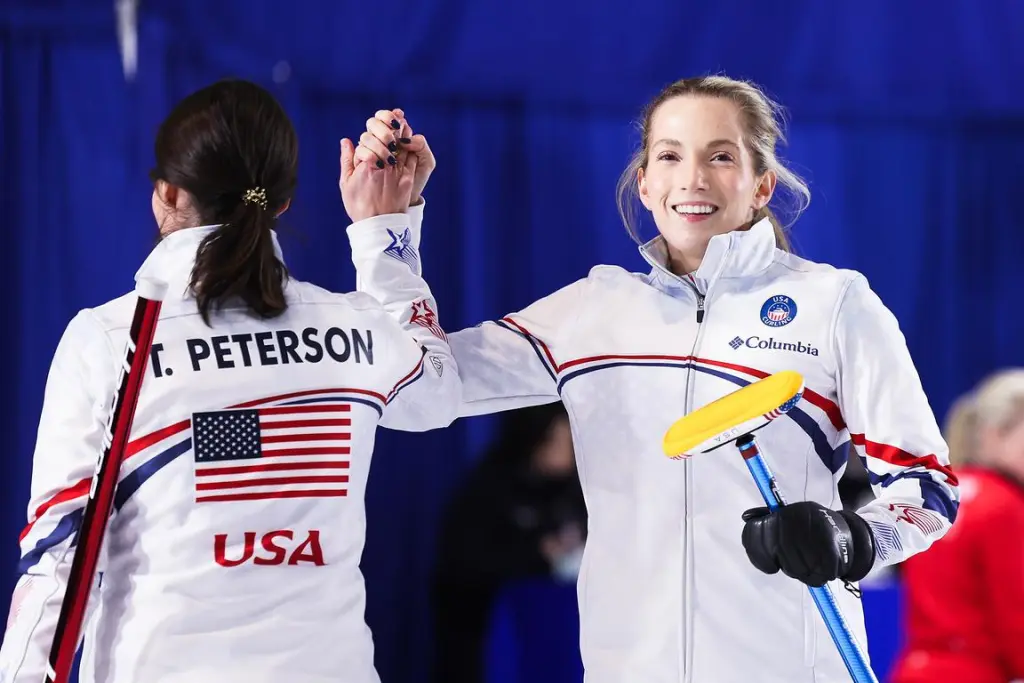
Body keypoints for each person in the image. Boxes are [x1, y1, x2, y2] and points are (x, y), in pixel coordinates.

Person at [348, 76, 959, 682]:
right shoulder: (593, 311)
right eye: (669, 155)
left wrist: (854, 537)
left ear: (762, 184)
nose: (693, 178)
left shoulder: (834, 303)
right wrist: (386, 235)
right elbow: (420, 393)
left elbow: (928, 490)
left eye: (721, 156)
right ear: (644, 183)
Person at [0, 79, 460, 683]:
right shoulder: (356, 325)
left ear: (165, 191)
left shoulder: (112, 340)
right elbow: (438, 390)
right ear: (284, 202)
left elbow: (59, 558)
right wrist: (385, 232)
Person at [430, 402, 587, 683]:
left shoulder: (575, 489)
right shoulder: (491, 485)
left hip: (556, 630)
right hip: (484, 633)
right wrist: (539, 552)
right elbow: (465, 561)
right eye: (563, 440)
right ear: (538, 437)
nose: (571, 451)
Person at [890, 369, 1024, 683]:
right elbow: (1016, 616)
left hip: (914, 671)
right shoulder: (1003, 505)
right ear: (997, 434)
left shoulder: (939, 494)